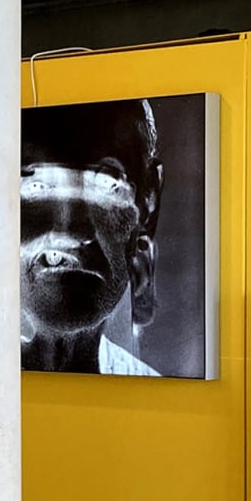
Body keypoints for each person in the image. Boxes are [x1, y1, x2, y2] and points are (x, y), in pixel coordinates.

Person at [21, 99, 163, 375]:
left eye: (107, 186)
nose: (71, 232)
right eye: (37, 186)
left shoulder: (156, 391)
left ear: (148, 201)